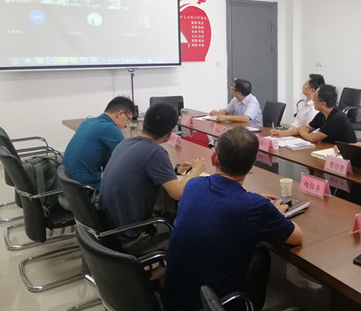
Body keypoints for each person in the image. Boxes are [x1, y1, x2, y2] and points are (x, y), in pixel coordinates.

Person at [162, 126, 303, 311]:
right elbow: (297, 237)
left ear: (214, 158)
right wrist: (272, 211)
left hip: (173, 300)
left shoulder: (193, 185)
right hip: (214, 304)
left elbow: (223, 202)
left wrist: (256, 203)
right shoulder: (254, 207)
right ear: (252, 165)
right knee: (259, 254)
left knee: (257, 254)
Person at [100, 103, 204, 255]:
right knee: (196, 232)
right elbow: (178, 193)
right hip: (132, 236)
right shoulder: (155, 152)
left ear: (143, 123)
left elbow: (141, 171)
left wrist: (174, 171)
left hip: (111, 229)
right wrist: (196, 170)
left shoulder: (126, 142)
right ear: (170, 134)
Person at [62, 96, 135, 191]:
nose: (126, 124)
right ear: (120, 114)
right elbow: (127, 161)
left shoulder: (87, 122)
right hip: (84, 189)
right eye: (128, 119)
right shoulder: (109, 128)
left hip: (66, 186)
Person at [272, 84, 357, 144]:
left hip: (344, 154)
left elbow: (313, 138)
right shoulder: (322, 114)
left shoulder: (337, 117)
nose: (312, 101)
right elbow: (306, 128)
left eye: (315, 100)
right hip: (329, 149)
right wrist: (281, 133)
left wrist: (303, 133)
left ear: (323, 103)